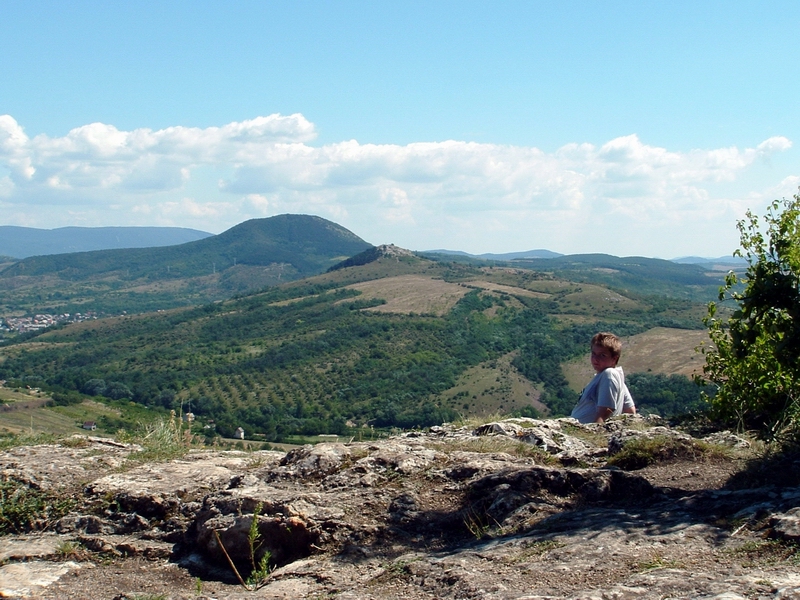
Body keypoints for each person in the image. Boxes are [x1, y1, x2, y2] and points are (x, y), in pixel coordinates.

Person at [570, 332, 636, 424]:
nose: (595, 359)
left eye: (602, 355)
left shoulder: (609, 374)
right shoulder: (614, 377)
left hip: (587, 432)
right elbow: (630, 411)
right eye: (594, 354)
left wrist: (595, 431)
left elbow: (605, 411)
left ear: (614, 359)